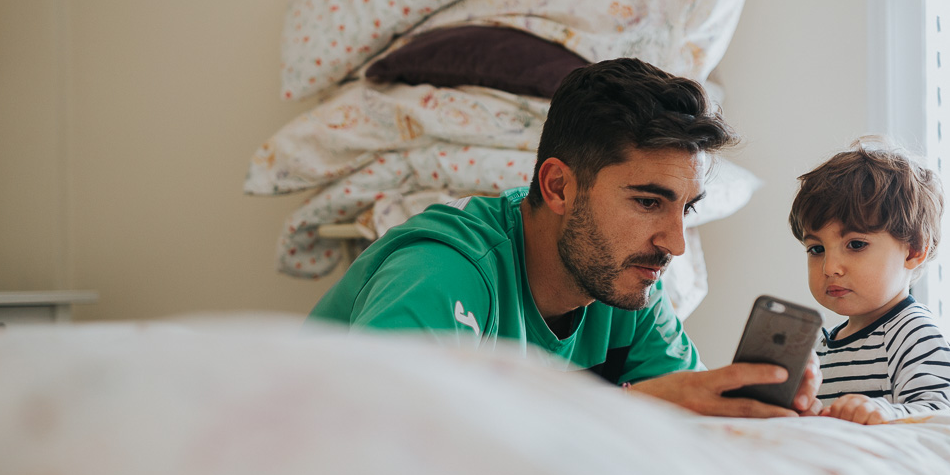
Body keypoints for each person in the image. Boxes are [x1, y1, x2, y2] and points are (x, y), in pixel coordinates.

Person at [309, 57, 820, 418]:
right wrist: (629, 405)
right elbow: (384, 434)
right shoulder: (443, 269)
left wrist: (744, 402)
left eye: (685, 209)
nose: (674, 243)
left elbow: (684, 410)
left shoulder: (626, 282)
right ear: (559, 186)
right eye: (647, 202)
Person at [787, 136, 950, 425]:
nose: (830, 267)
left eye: (855, 245)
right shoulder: (817, 347)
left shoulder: (912, 332)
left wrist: (885, 413)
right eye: (817, 249)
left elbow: (942, 416)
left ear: (915, 249)